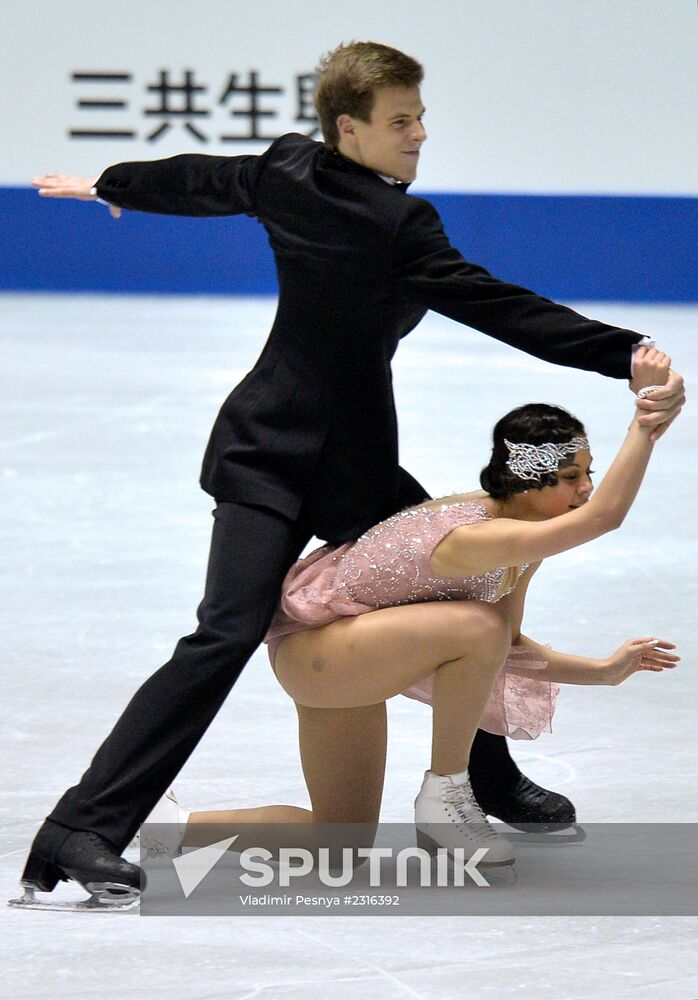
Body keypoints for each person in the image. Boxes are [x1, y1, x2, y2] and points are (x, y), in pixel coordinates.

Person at [16, 40, 685, 907]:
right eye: (400, 122)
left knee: (481, 566)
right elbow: (493, 302)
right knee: (224, 632)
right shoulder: (380, 214)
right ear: (348, 128)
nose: (419, 135)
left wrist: (115, 184)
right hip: (266, 455)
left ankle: (483, 771)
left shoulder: (300, 172)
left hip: (352, 466)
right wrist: (622, 354)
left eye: (420, 117)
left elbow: (212, 180)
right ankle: (84, 827)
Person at [137, 349, 679, 869]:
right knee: (476, 624)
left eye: (588, 473)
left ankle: (170, 826)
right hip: (321, 651)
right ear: (524, 478)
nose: (585, 489)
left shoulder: (520, 550)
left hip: (344, 662)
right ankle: (447, 792)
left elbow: (505, 651)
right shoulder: (478, 535)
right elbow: (603, 519)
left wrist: (605, 673)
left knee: (338, 844)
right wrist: (647, 422)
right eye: (569, 478)